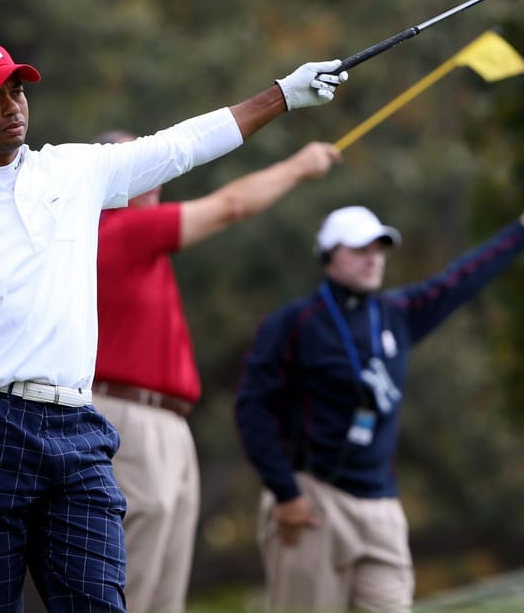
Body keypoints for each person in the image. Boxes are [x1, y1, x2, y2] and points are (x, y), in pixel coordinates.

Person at [0, 40, 346, 612]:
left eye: (17, 90)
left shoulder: (74, 171)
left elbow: (179, 147)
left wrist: (282, 96)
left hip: (78, 429)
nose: (12, 107)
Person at [233, 182, 524, 613]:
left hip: (381, 507)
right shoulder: (293, 324)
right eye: (361, 249)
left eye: (380, 248)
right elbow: (252, 409)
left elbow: (459, 281)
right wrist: (285, 492)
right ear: (330, 254)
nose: (374, 258)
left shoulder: (396, 314)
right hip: (312, 501)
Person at [91, 136, 341, 613]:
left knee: (164, 594)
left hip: (164, 424)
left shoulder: (133, 236)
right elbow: (230, 206)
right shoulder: (120, 229)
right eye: (142, 166)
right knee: (132, 586)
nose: (157, 177)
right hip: (129, 421)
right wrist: (298, 167)